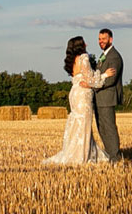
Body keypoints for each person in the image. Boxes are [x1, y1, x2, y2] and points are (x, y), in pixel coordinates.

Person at [43, 35, 116, 165]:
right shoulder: (84, 57)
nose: (86, 45)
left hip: (74, 92)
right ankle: (82, 156)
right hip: (83, 94)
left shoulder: (71, 60)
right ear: (80, 46)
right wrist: (105, 75)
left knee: (77, 122)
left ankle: (75, 152)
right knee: (84, 125)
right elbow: (90, 78)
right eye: (84, 43)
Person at [92, 28, 123, 163]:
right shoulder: (104, 55)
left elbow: (111, 80)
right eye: (99, 39)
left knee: (109, 128)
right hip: (100, 98)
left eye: (104, 39)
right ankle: (110, 154)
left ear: (110, 39)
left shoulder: (114, 57)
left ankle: (115, 157)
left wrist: (93, 86)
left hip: (107, 98)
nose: (101, 42)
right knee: (102, 129)